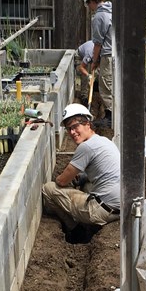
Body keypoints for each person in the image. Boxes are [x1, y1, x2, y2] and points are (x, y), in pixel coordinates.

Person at [42, 103, 120, 243]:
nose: (72, 132)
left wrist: (64, 180)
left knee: (48, 188)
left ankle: (75, 229)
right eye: (68, 129)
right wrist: (82, 177)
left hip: (101, 212)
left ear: (87, 124)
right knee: (87, 184)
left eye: (75, 126)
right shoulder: (104, 141)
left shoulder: (86, 147)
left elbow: (62, 181)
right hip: (120, 208)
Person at [82, 0, 113, 128]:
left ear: (91, 1)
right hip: (115, 54)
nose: (89, 8)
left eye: (88, 4)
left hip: (107, 54)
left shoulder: (99, 17)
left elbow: (98, 44)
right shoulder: (111, 10)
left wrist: (94, 61)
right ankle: (111, 114)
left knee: (106, 86)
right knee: (112, 84)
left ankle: (110, 117)